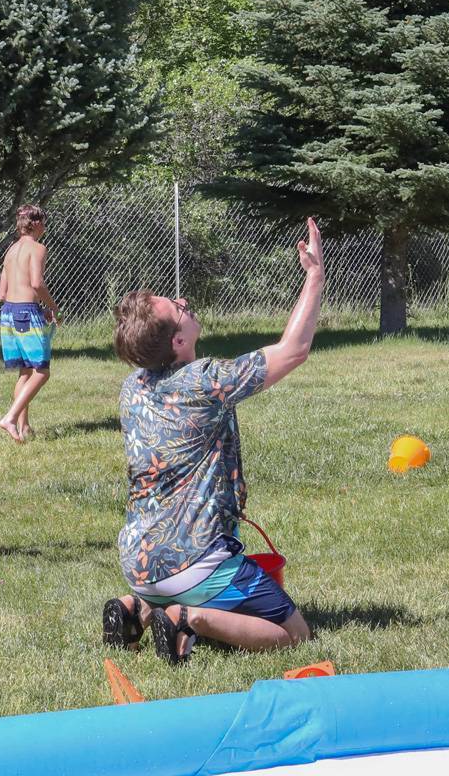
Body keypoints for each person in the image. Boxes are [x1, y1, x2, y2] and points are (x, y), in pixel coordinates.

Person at [102, 218, 325, 663]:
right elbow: (293, 350)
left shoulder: (133, 387)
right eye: (177, 308)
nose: (185, 302)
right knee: (296, 635)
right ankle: (189, 618)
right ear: (178, 340)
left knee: (168, 583)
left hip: (138, 562)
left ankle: (136, 609)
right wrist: (315, 276)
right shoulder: (204, 382)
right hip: (196, 565)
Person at [0, 204, 59, 442]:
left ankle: (24, 429)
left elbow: (2, 294)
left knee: (25, 372)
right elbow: (36, 283)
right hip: (25, 313)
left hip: (8, 314)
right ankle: (10, 418)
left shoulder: (10, 250)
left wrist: (36, 309)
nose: (45, 228)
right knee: (42, 371)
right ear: (36, 224)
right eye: (44, 223)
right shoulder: (38, 248)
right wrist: (52, 307)